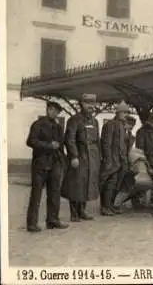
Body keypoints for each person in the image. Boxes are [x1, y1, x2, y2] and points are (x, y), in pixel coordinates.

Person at [25, 102, 69, 232]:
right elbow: (30, 141)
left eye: (56, 111)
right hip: (40, 164)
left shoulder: (58, 127)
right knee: (36, 195)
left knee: (54, 193)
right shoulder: (38, 124)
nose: (54, 113)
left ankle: (53, 220)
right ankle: (32, 224)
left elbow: (61, 146)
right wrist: (49, 145)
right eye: (51, 110)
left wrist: (63, 161)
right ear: (47, 110)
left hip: (55, 164)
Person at [61, 93, 101, 222]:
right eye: (88, 103)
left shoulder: (94, 121)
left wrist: (99, 156)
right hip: (80, 156)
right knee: (76, 184)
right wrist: (74, 156)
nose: (91, 106)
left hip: (92, 158)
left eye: (92, 103)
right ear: (82, 104)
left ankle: (82, 210)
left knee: (88, 184)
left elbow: (97, 140)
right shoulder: (74, 120)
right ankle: (74, 213)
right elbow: (70, 139)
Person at [99, 101, 130, 216]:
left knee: (115, 184)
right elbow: (106, 143)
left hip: (120, 161)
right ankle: (105, 207)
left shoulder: (122, 126)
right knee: (108, 183)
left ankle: (110, 205)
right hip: (112, 160)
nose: (126, 115)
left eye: (127, 113)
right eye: (124, 112)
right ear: (118, 112)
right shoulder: (110, 124)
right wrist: (108, 159)